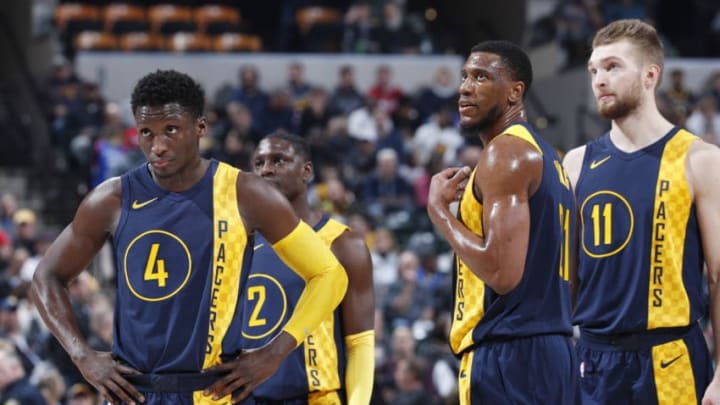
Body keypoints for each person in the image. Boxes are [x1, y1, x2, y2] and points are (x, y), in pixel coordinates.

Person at [30, 69, 349, 405]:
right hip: (133, 391)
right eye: (146, 133)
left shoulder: (245, 193)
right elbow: (46, 277)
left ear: (199, 127)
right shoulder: (112, 199)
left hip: (212, 390)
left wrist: (274, 353)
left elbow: (329, 274)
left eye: (171, 130)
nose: (158, 145)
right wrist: (82, 356)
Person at [563, 19, 720, 404]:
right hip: (591, 361)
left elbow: (718, 276)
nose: (599, 79)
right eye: (594, 70)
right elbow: (565, 280)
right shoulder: (576, 163)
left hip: (671, 358)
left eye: (613, 67)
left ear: (651, 75)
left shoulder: (699, 159)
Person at [426, 40, 578, 404]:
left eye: (481, 77)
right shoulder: (550, 158)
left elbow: (501, 272)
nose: (465, 86)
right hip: (555, 351)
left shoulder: (504, 153)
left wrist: (440, 213)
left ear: (515, 92)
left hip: (509, 355)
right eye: (464, 76)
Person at [230, 131, 374, 404]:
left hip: (314, 396)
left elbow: (360, 345)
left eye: (279, 160)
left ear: (306, 171)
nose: (266, 170)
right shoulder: (235, 243)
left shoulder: (343, 243)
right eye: (258, 163)